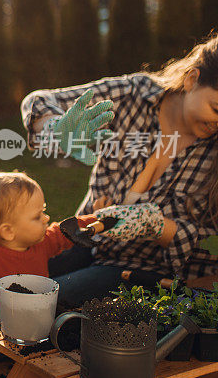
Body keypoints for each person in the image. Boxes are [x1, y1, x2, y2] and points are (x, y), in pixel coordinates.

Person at [21, 33, 218, 308]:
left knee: (41, 300)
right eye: (216, 108)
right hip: (87, 238)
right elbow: (38, 101)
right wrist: (55, 126)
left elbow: (211, 247)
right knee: (12, 272)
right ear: (192, 80)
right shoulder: (134, 95)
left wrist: (157, 226)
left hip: (149, 272)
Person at [0, 171, 96, 367]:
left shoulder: (38, 244)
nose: (46, 218)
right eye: (37, 216)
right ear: (8, 231)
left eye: (44, 210)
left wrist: (92, 222)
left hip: (23, 331)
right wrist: (19, 299)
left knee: (35, 356)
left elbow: (61, 234)